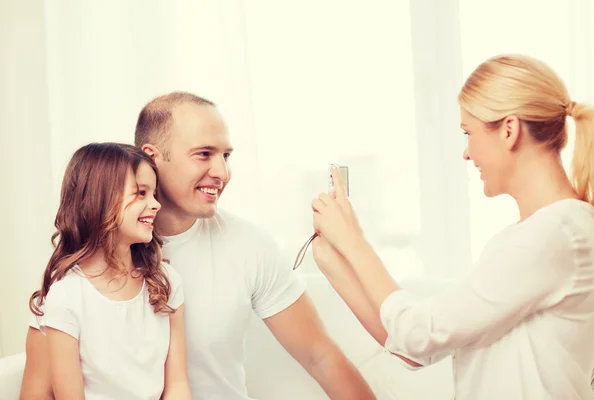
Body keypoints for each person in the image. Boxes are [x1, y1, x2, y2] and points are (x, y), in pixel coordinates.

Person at [21, 93, 375, 400]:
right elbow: (39, 389)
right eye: (204, 154)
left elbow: (320, 355)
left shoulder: (248, 245)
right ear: (152, 157)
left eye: (226, 156)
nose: (222, 172)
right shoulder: (80, 268)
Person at [310, 54, 594, 399]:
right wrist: (333, 259)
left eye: (469, 133)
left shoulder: (558, 233)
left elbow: (419, 333)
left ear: (509, 130)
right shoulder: (528, 237)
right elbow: (413, 349)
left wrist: (353, 240)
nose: (466, 152)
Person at [21, 143, 190, 400]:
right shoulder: (66, 296)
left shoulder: (165, 281)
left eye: (154, 194)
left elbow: (177, 385)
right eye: (141, 193)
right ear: (100, 201)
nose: (155, 204)